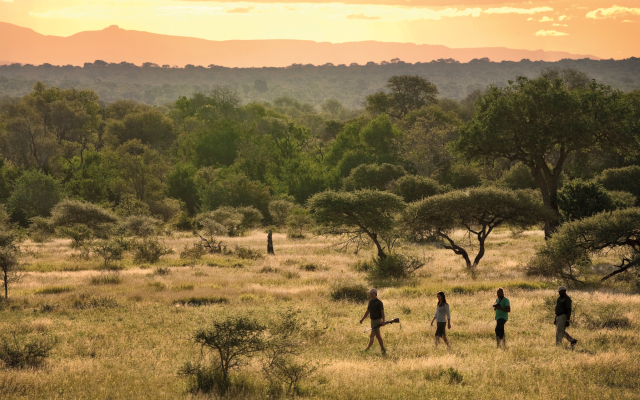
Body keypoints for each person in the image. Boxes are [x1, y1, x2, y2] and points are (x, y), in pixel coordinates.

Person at [359, 288, 386, 353]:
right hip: (372, 321)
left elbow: (382, 312)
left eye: (372, 293)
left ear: (375, 294)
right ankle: (382, 348)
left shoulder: (379, 302)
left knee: (372, 335)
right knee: (378, 336)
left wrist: (383, 320)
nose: (370, 294)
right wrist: (362, 319)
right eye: (370, 293)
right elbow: (368, 311)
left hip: (377, 320)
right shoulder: (370, 302)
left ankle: (367, 349)